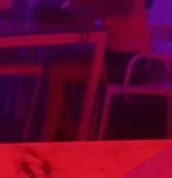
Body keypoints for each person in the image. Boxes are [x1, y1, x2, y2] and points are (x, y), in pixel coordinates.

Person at [41, 0, 151, 140]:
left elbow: (90, 11)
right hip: (119, 57)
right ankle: (66, 130)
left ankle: (47, 139)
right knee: (59, 60)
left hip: (130, 64)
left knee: (56, 71)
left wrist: (74, 8)